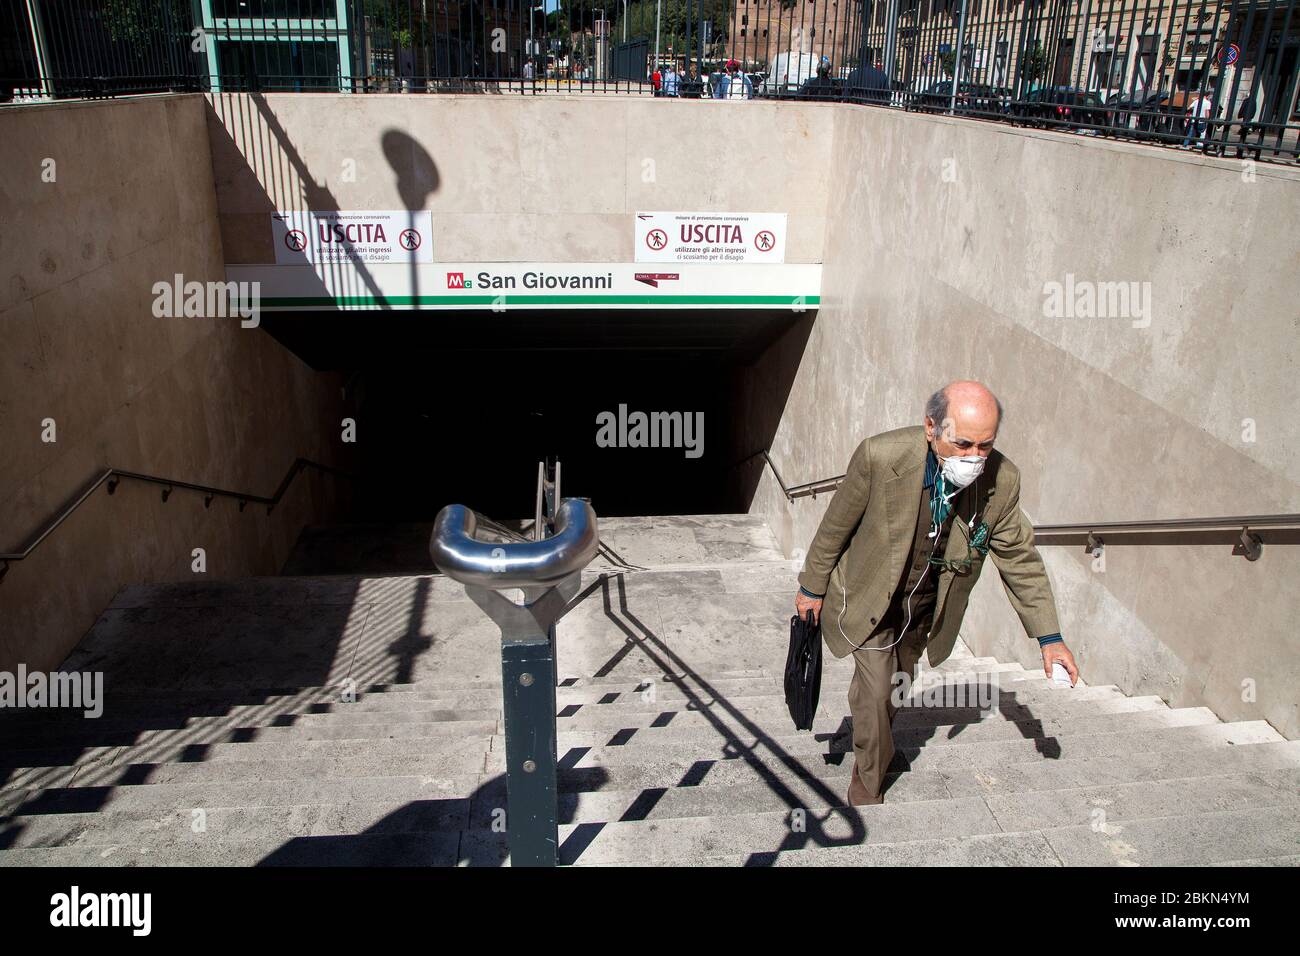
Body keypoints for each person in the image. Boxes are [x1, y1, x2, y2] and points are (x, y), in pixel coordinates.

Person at [794, 381, 1079, 806]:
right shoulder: (880, 456)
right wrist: (811, 587)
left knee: (897, 686)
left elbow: (1019, 557)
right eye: (963, 443)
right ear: (932, 427)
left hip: (925, 609)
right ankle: (867, 787)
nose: (975, 457)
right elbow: (836, 525)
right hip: (869, 595)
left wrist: (1049, 637)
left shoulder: (1002, 481)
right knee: (872, 693)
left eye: (985, 446)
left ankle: (877, 747)